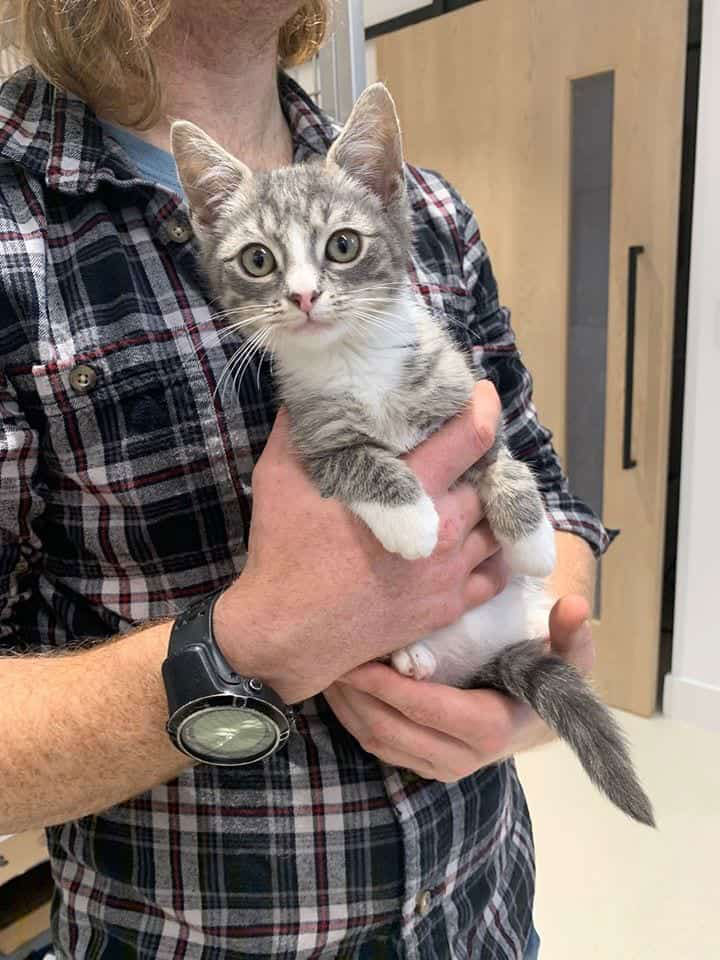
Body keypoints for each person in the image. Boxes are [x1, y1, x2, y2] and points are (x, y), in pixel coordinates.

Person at [0, 2, 608, 957]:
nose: (304, 288)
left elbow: (552, 501)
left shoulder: (426, 209)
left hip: (482, 913)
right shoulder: (14, 232)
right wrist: (253, 645)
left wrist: (518, 690)